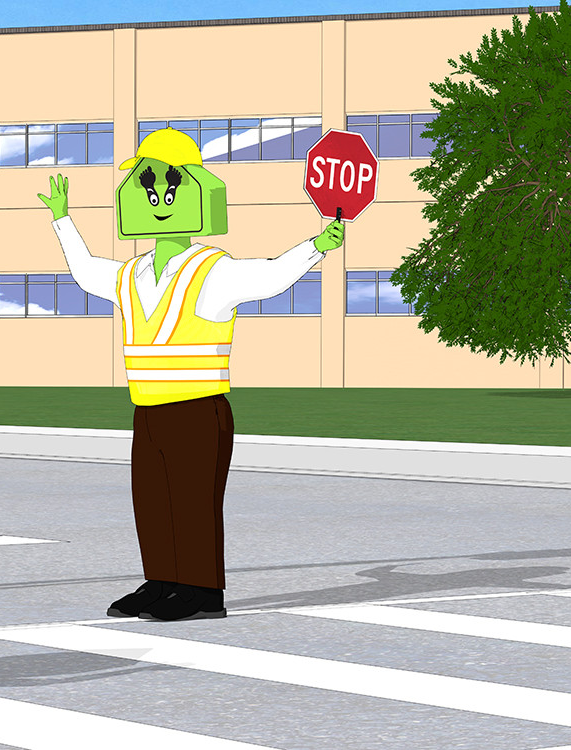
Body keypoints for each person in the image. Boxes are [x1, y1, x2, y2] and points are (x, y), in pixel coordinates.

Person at [37, 128, 344, 621]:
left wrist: (315, 246)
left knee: (194, 504)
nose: (157, 201)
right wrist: (62, 221)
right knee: (154, 503)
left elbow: (266, 277)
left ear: (199, 193)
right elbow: (87, 272)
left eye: (170, 189)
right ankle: (161, 582)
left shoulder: (211, 269)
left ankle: (202, 592)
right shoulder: (132, 274)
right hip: (149, 411)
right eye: (146, 188)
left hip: (199, 410)